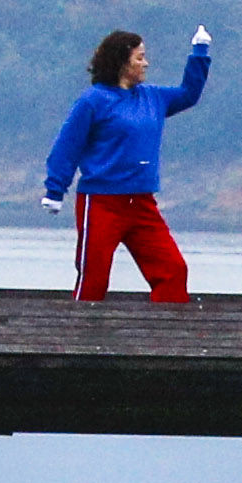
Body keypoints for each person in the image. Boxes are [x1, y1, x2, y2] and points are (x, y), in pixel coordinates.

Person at [40, 26, 214, 303]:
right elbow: (67, 146)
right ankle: (80, 340)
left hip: (142, 203)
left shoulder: (153, 97)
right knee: (93, 278)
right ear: (122, 62)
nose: (146, 63)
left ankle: (160, 340)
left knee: (173, 271)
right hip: (101, 203)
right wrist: (55, 190)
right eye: (140, 58)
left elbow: (188, 94)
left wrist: (199, 53)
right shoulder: (93, 101)